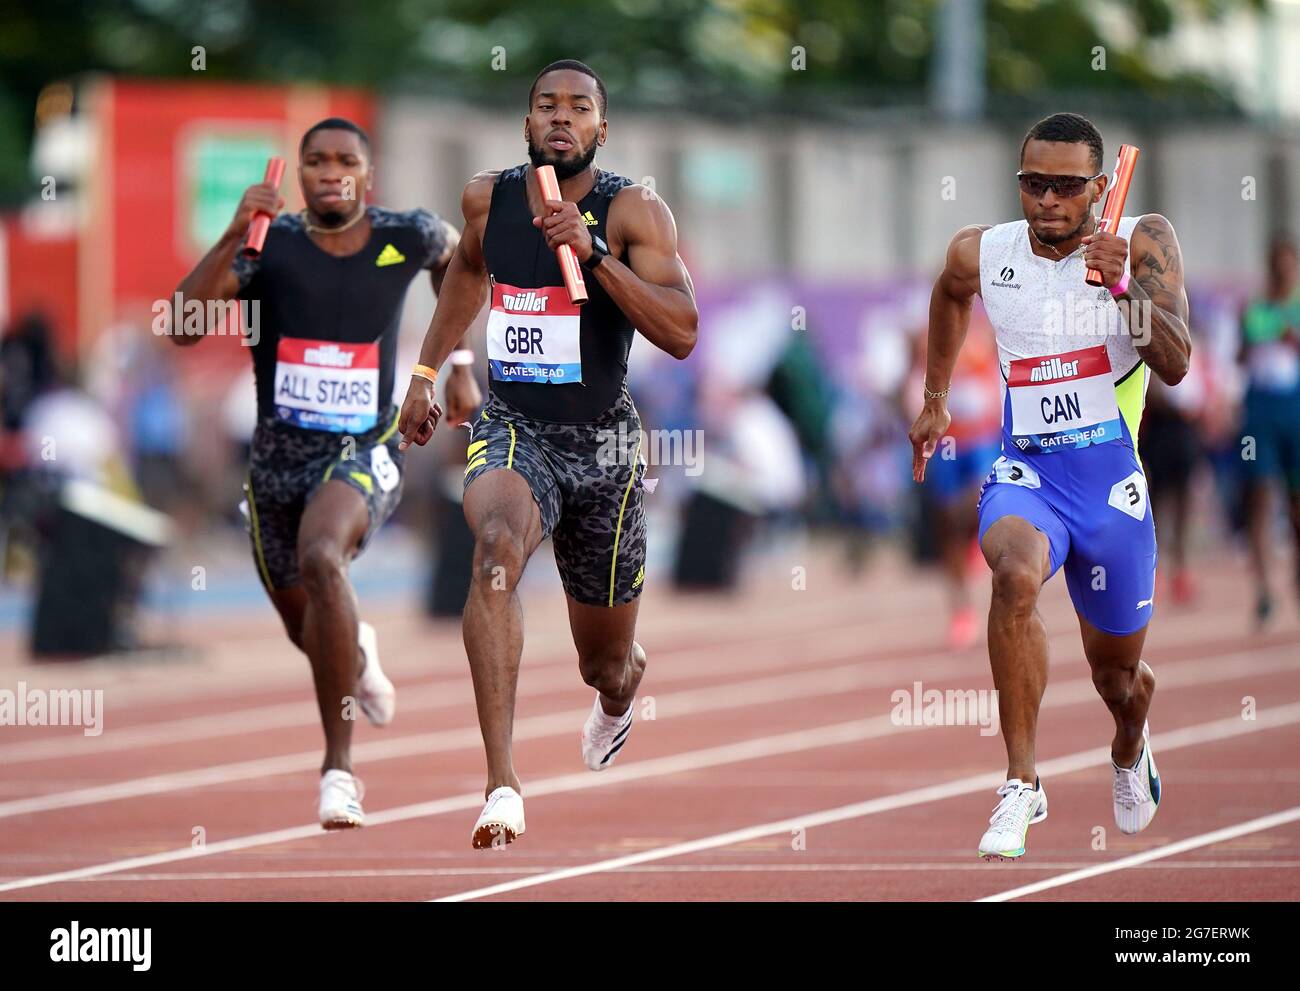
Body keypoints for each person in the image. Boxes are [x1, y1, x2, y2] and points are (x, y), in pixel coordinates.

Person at [398, 60, 698, 848]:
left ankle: (618, 691)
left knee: (602, 662)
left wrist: (595, 255)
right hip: (513, 426)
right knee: (495, 548)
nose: (561, 118)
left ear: (604, 128)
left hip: (603, 443)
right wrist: (432, 371)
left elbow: (682, 331)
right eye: (546, 106)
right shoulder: (487, 198)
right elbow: (466, 273)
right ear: (526, 124)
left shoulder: (635, 210)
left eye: (579, 108)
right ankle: (502, 782)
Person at [170, 117, 478, 828]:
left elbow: (462, 269)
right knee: (306, 628)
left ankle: (338, 771)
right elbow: (183, 323)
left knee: (321, 555)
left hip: (365, 445)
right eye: (316, 161)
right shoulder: (265, 245)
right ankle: (357, 646)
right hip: (276, 460)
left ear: (368, 173)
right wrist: (232, 230)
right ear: (300, 174)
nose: (331, 171)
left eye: (346, 160)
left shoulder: (411, 232)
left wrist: (455, 366)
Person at [908, 113, 1190, 860]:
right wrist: (935, 398)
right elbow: (948, 290)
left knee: (1117, 676)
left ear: (1100, 188)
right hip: (1027, 472)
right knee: (1011, 571)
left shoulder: (1143, 242)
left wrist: (1123, 283)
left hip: (1108, 486)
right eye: (1034, 183)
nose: (1048, 200)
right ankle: (1022, 782)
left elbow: (1177, 360)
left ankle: (1131, 741)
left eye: (1067, 186)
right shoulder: (988, 249)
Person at [1237, 236, 1300, 628]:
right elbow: (1240, 357)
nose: (1282, 270)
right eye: (1276, 264)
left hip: (1293, 407)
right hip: (1259, 408)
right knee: (1259, 497)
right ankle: (1262, 589)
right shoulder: (1254, 308)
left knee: (1296, 505)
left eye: (1288, 263)